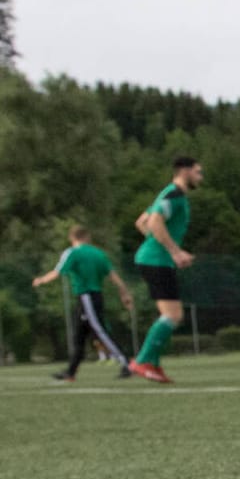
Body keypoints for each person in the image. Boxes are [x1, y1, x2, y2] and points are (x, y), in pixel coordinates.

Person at [128, 156, 203, 383]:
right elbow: (153, 222)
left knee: (169, 315)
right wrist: (174, 251)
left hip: (154, 258)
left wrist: (162, 246)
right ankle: (142, 361)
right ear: (184, 171)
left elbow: (142, 222)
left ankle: (153, 364)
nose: (200, 177)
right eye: (198, 172)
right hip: (157, 261)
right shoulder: (174, 195)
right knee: (173, 315)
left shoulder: (167, 193)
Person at [32, 226, 134, 382]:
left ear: (72, 238)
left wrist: (41, 279)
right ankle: (71, 371)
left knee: (100, 331)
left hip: (86, 296)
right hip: (95, 297)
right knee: (78, 335)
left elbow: (58, 271)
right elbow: (113, 276)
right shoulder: (99, 254)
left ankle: (127, 363)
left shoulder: (73, 252)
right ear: (88, 237)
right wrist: (124, 293)